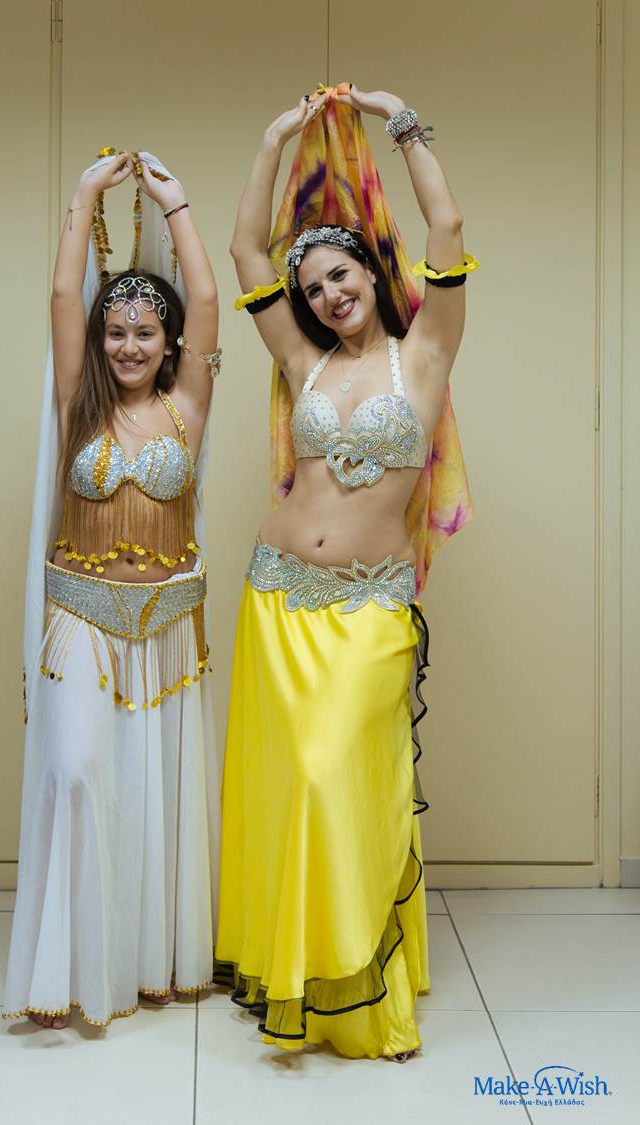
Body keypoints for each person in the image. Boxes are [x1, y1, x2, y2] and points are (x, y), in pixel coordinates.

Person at [214, 86, 476, 1060]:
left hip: (370, 605)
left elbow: (447, 229)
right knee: (290, 784)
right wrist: (274, 139)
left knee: (340, 776)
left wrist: (401, 122)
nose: (329, 294)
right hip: (278, 596)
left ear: (371, 270)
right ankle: (291, 970)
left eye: (341, 274)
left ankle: (361, 991)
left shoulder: (426, 357)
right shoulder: (303, 363)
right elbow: (247, 251)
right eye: (314, 285)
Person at [3, 148, 221, 1029]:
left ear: (170, 343)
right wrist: (84, 195)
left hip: (167, 623)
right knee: (76, 771)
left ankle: (144, 964)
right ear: (98, 341)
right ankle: (66, 974)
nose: (129, 345)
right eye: (115, 332)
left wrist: (177, 208)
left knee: (151, 794)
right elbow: (64, 295)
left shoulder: (188, 405)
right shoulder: (76, 404)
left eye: (145, 332)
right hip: (82, 612)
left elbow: (208, 298)